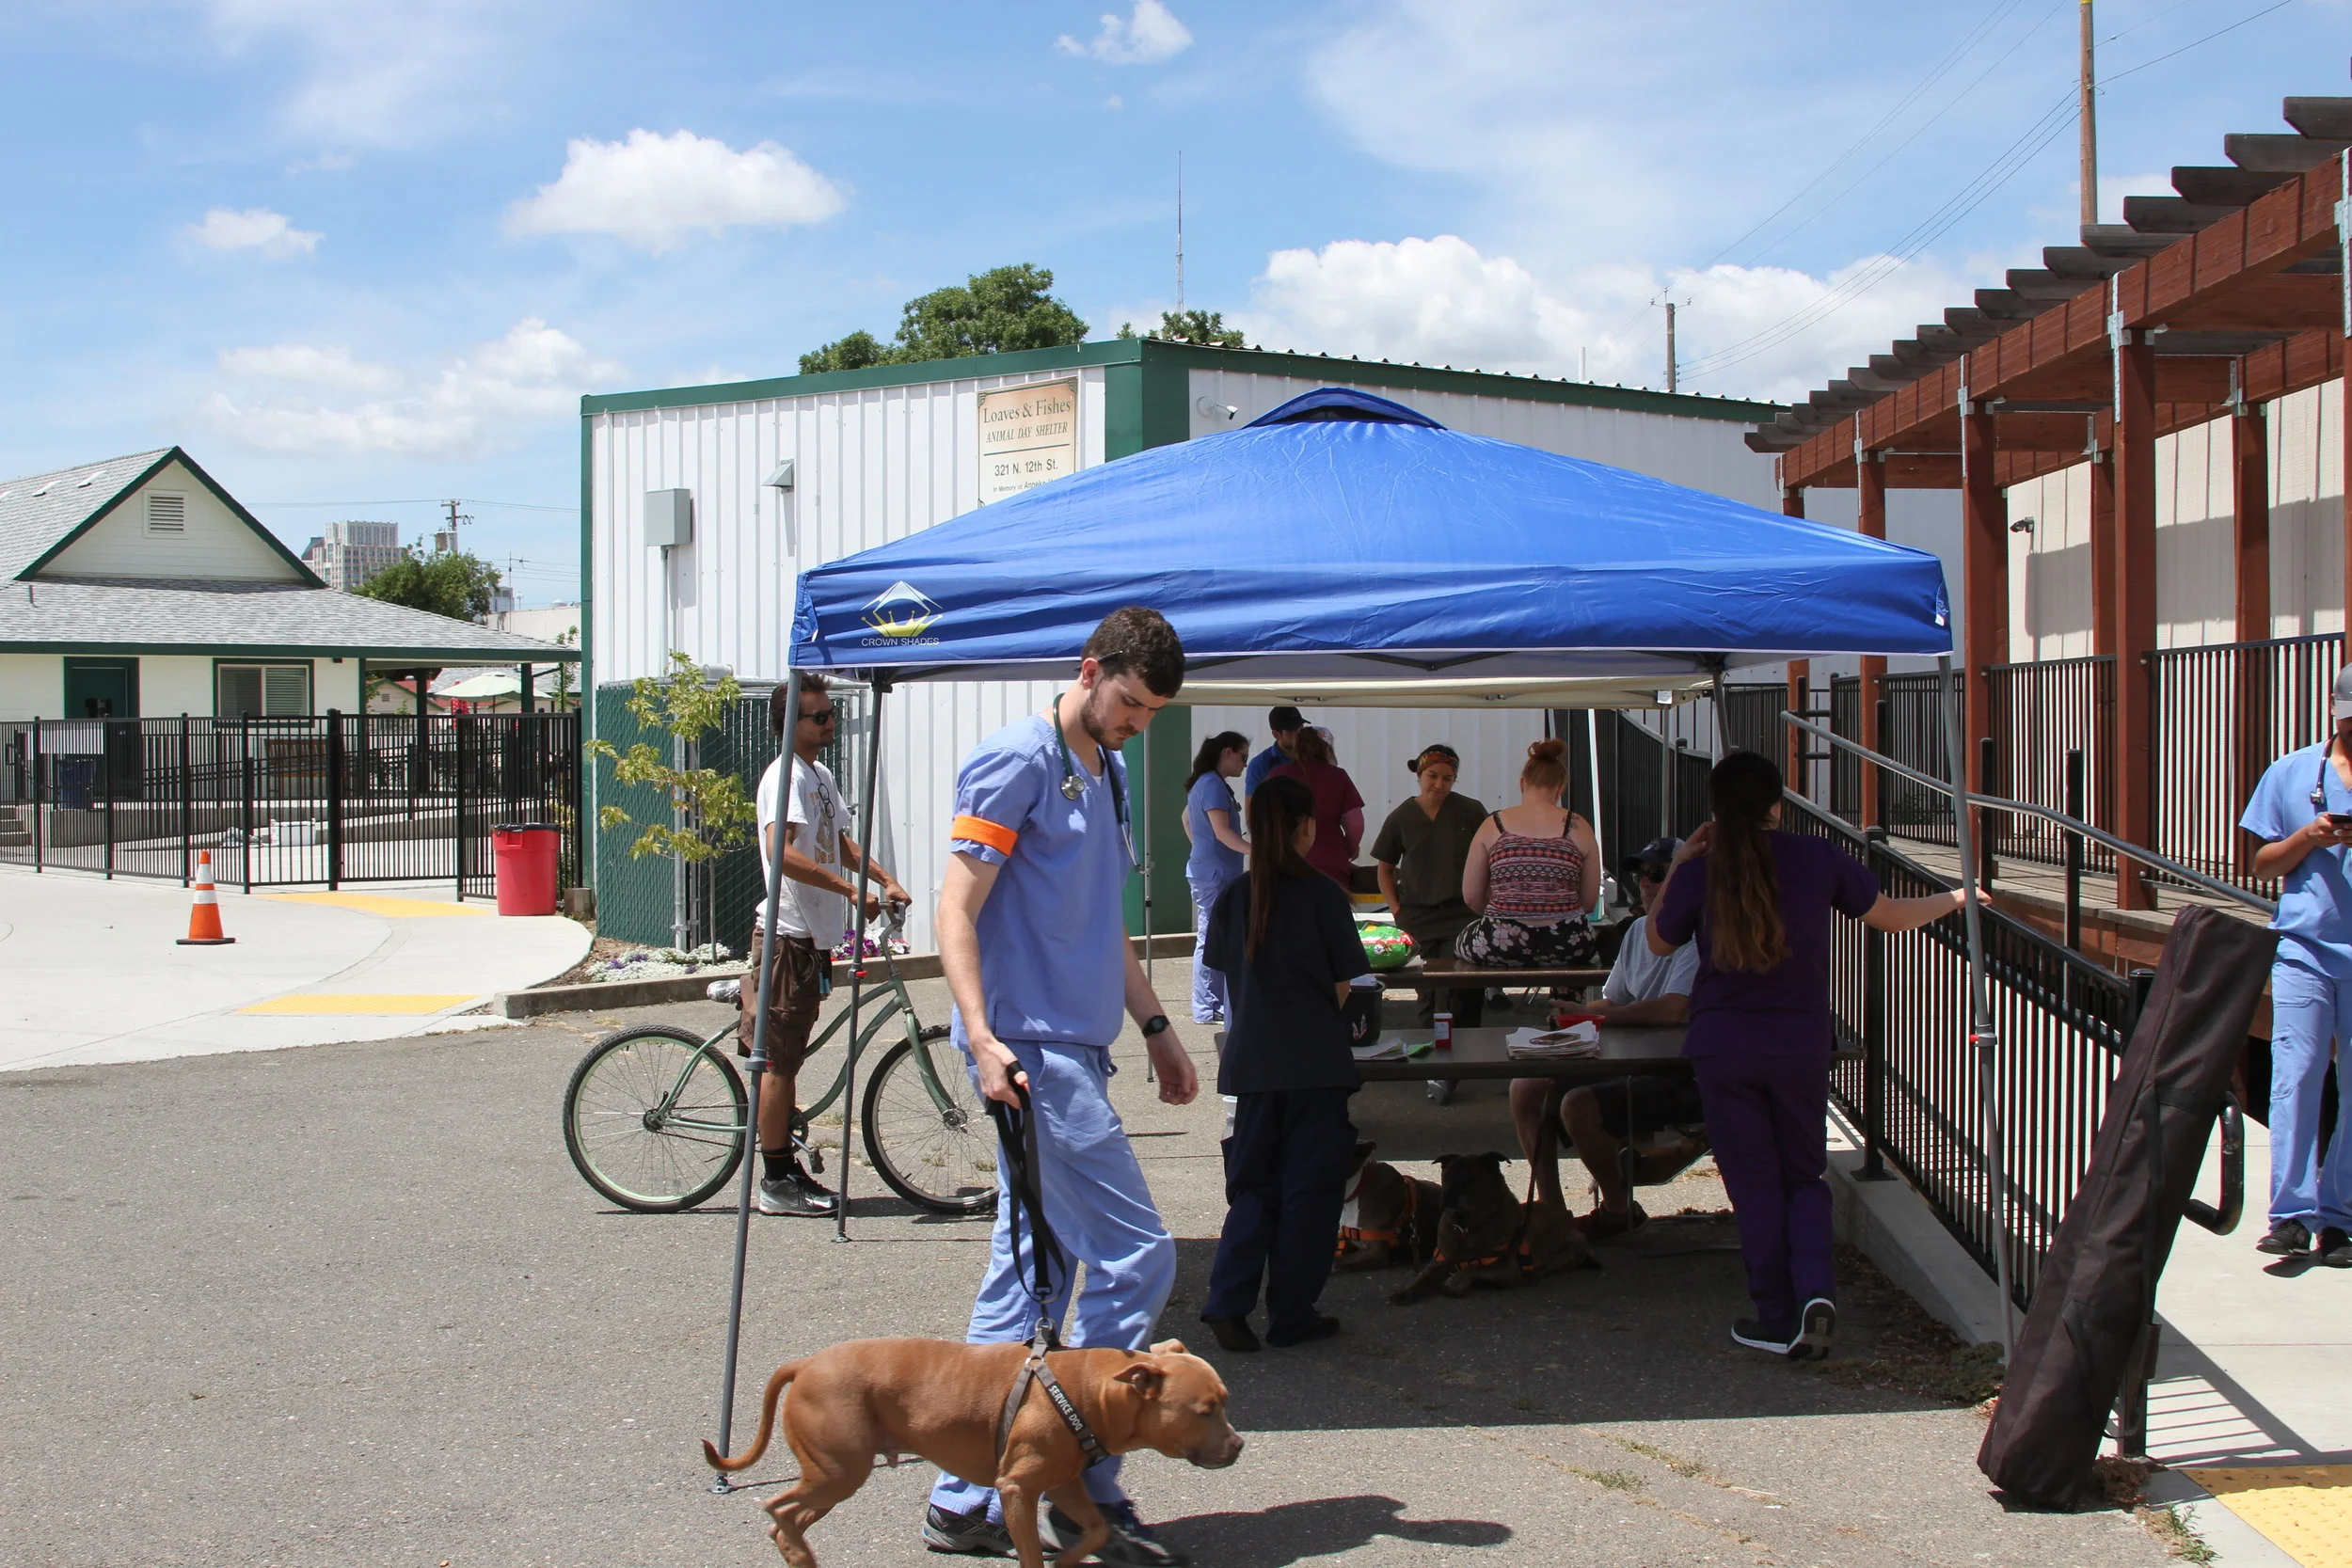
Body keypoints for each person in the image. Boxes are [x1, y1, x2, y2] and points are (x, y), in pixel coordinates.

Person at [921, 606, 1200, 1568]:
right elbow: (955, 910)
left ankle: (963, 1498)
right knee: (1138, 1256)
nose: (1136, 724)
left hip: (1080, 1046)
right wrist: (984, 1036)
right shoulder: (1016, 760)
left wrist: (1157, 1025)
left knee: (1027, 1274)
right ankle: (1081, 1478)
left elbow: (1100, 923)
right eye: (1128, 703)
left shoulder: (1109, 772)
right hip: (1034, 1053)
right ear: (1090, 670)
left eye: (1152, 711)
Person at [1649, 751, 1966, 1361]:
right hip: (1799, 1043)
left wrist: (1679, 863)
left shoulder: (1703, 868)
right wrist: (1956, 898)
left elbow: (1660, 938)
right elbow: (1890, 917)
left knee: (1755, 1182)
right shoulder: (1817, 858)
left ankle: (1776, 1314)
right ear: (1777, 803)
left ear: (1715, 808)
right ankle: (1817, 1292)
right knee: (1803, 1175)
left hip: (1723, 1045)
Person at [1198, 775, 1365, 1352]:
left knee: (1253, 1190)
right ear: (1307, 828)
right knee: (1309, 1194)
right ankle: (1292, 1313)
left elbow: (1223, 978)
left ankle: (1228, 1300)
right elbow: (1345, 982)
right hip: (1316, 1061)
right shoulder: (1322, 894)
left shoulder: (1234, 897)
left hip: (1252, 1063)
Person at [742, 673, 910, 1218]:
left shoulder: (818, 775)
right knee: (779, 1065)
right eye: (820, 717)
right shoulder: (783, 776)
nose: (830, 723)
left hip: (810, 941)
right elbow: (782, 854)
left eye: (831, 714)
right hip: (786, 938)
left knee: (788, 1057)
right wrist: (848, 889)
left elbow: (841, 844)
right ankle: (775, 1181)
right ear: (794, 724)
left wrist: (883, 879)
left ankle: (783, 1155)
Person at [1509, 837, 1699, 1234]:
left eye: (1658, 874)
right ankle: (1553, 1212)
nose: (1645, 884)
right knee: (1526, 1086)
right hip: (1629, 1058)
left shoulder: (1697, 935)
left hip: (1681, 1070)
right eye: (1640, 874)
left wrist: (1602, 1019)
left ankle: (1616, 1210)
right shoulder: (1638, 932)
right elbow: (1615, 1002)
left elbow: (1672, 1009)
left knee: (1579, 1105)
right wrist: (1578, 1014)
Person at [2237, 664, 2352, 1266]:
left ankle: (2342, 1217)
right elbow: (2263, 864)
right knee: (2297, 1076)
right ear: (2336, 714)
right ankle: (2292, 1215)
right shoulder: (2291, 772)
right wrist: (2310, 836)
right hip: (2305, 949)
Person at [1370, 743, 1489, 1026]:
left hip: (1462, 914)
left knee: (1461, 987)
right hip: (1418, 916)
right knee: (1427, 991)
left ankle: (1466, 1055)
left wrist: (1485, 902)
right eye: (1432, 776)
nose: (1439, 784)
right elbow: (1385, 868)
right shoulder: (1401, 817)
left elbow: (1491, 857)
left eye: (1447, 778)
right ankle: (1430, 1059)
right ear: (1420, 775)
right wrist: (1397, 910)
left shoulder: (1470, 811)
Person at [1454, 738, 1600, 970]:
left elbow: (1471, 896)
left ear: (1522, 783)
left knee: (1463, 937)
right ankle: (1565, 1002)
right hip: (1568, 944)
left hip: (1501, 942)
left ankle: (1488, 997)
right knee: (1585, 945)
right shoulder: (1579, 826)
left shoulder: (1494, 824)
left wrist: (1504, 915)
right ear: (1560, 787)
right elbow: (1590, 902)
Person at [1182, 731, 1250, 1024]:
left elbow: (1186, 818)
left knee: (1216, 934)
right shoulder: (1211, 783)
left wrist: (1200, 847)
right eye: (1242, 757)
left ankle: (1214, 1002)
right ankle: (1206, 1006)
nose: (1244, 764)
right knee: (1210, 936)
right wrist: (1255, 851)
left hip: (1211, 869)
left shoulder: (1210, 782)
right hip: (1213, 874)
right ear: (1227, 752)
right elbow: (1222, 831)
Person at [1269, 726, 1364, 889]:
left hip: (1284, 863)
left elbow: (1265, 821)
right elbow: (1355, 823)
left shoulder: (1276, 776)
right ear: (1327, 748)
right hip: (1330, 862)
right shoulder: (1338, 776)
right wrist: (1347, 849)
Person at [1241, 705, 1306, 809]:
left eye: (1300, 728)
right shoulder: (1259, 765)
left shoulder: (1313, 758)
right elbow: (1252, 811)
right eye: (1291, 730)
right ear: (1276, 734)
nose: (1297, 734)